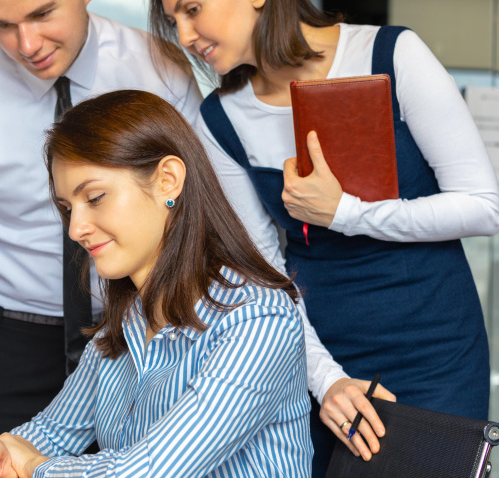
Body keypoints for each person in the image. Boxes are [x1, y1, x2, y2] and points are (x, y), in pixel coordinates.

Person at [150, 0, 499, 475]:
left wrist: (346, 213)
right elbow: (265, 274)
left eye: (192, 8)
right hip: (319, 354)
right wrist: (328, 381)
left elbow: (484, 206)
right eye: (173, 21)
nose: (185, 34)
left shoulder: (390, 54)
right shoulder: (221, 120)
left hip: (435, 349)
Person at [0, 0, 203, 469]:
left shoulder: (159, 68)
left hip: (136, 336)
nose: (28, 44)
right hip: (5, 343)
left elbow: (199, 209)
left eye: (41, 14)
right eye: (3, 26)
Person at [0, 89, 312, 478]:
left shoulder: (258, 320)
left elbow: (148, 472)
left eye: (95, 197)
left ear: (168, 180)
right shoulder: (127, 322)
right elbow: (49, 434)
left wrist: (36, 468)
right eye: (68, 208)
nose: (76, 229)